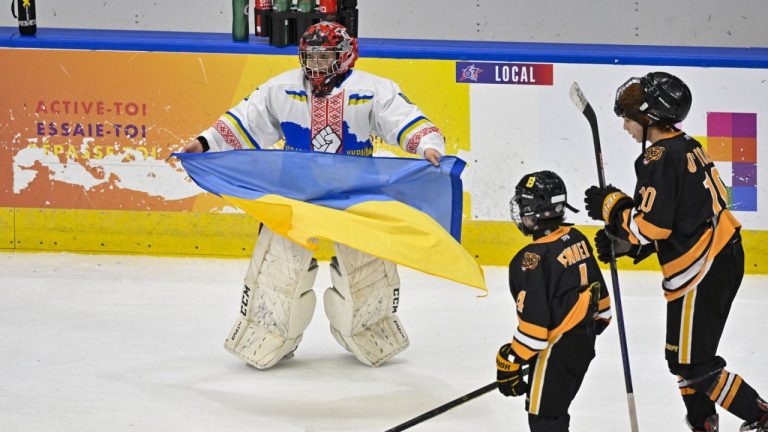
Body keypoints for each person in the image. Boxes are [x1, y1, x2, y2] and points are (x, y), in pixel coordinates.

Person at [182, 21, 445, 369]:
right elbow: (246, 119)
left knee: (365, 277)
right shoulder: (281, 88)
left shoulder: (373, 89)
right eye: (312, 57)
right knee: (279, 275)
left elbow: (404, 119)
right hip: (294, 195)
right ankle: (270, 335)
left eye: (326, 57)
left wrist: (426, 145)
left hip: (355, 194)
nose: (317, 65)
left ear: (347, 56)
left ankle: (369, 331)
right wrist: (203, 143)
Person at [584, 71, 768, 432]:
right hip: (716, 256)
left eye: (629, 117)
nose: (625, 125)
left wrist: (614, 209)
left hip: (702, 267)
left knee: (693, 365)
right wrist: (628, 246)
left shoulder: (657, 157)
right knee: (682, 358)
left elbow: (652, 227)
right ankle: (703, 423)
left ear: (650, 116)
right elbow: (680, 216)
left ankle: (760, 415)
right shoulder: (686, 145)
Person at [496, 170, 612, 432]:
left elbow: (535, 332)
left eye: (524, 206)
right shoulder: (577, 238)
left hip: (555, 351)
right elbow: (603, 309)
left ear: (535, 211)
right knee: (555, 410)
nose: (522, 213)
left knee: (545, 419)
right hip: (583, 344)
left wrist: (512, 360)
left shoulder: (530, 260)